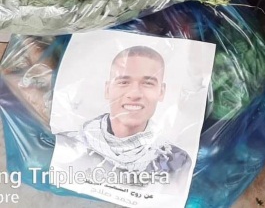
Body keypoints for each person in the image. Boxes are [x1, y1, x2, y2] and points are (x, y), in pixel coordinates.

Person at [55, 46, 192, 190]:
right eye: (123, 82)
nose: (134, 94)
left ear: (161, 92)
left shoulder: (177, 161)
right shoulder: (67, 144)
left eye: (148, 83)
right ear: (108, 90)